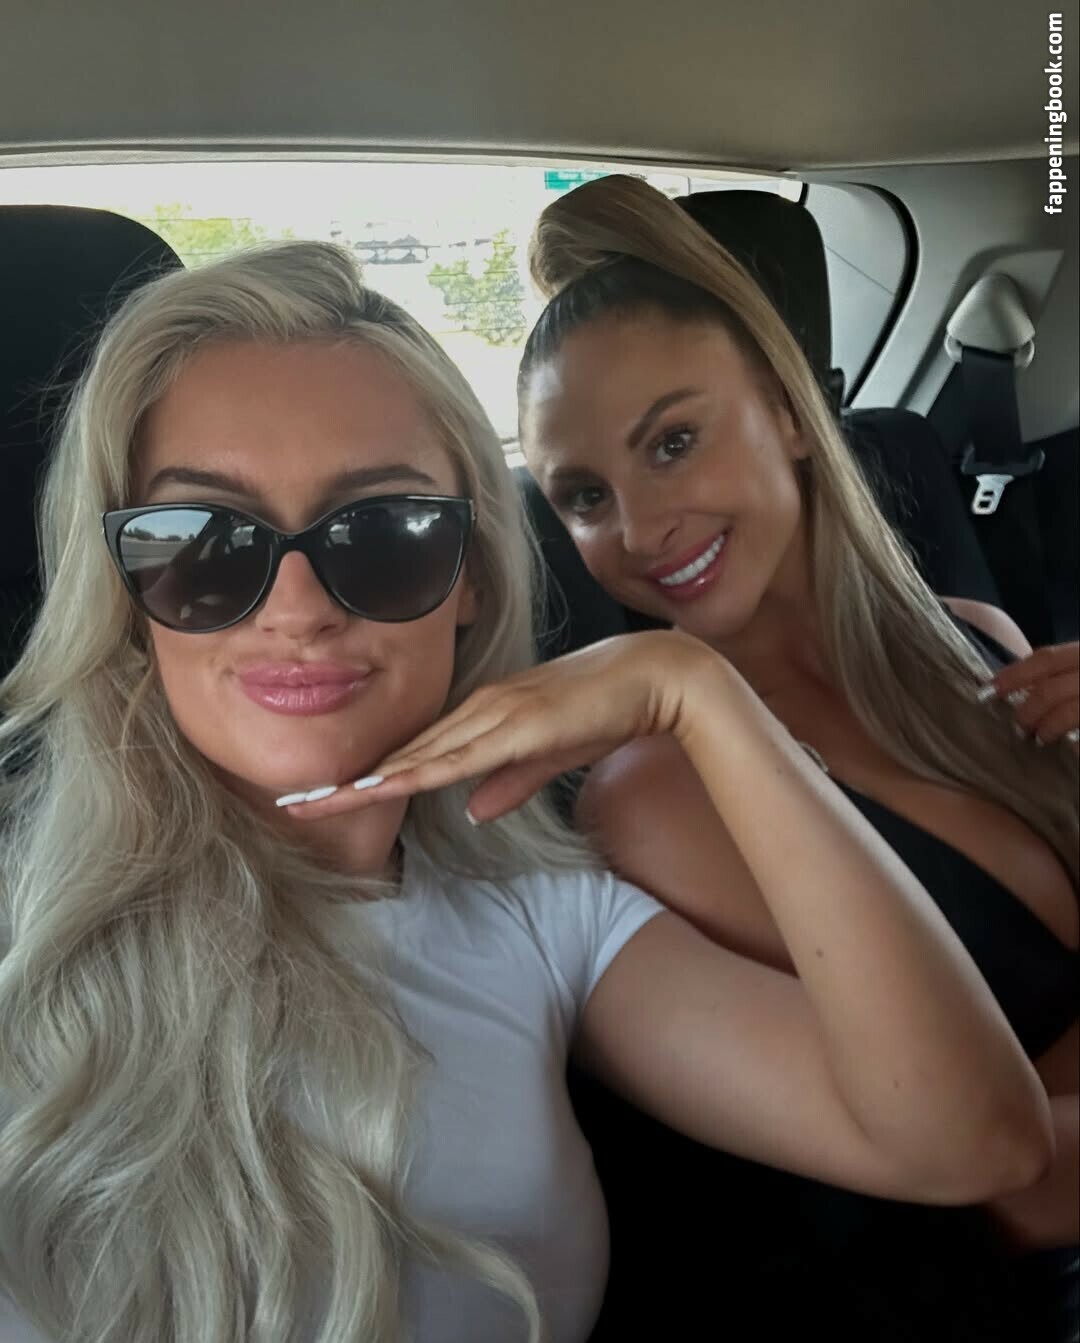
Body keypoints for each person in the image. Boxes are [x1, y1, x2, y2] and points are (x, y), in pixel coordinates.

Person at [0, 241, 1055, 1343]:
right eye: (205, 541)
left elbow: (971, 1141)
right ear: (125, 583)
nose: (299, 606)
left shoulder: (553, 923)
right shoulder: (23, 941)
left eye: (386, 529)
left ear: (470, 577)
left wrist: (699, 691)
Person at [514, 174, 1080, 1341]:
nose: (639, 529)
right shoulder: (661, 795)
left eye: (674, 442)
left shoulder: (976, 641)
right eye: (584, 495)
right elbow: (1002, 1186)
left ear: (785, 410)